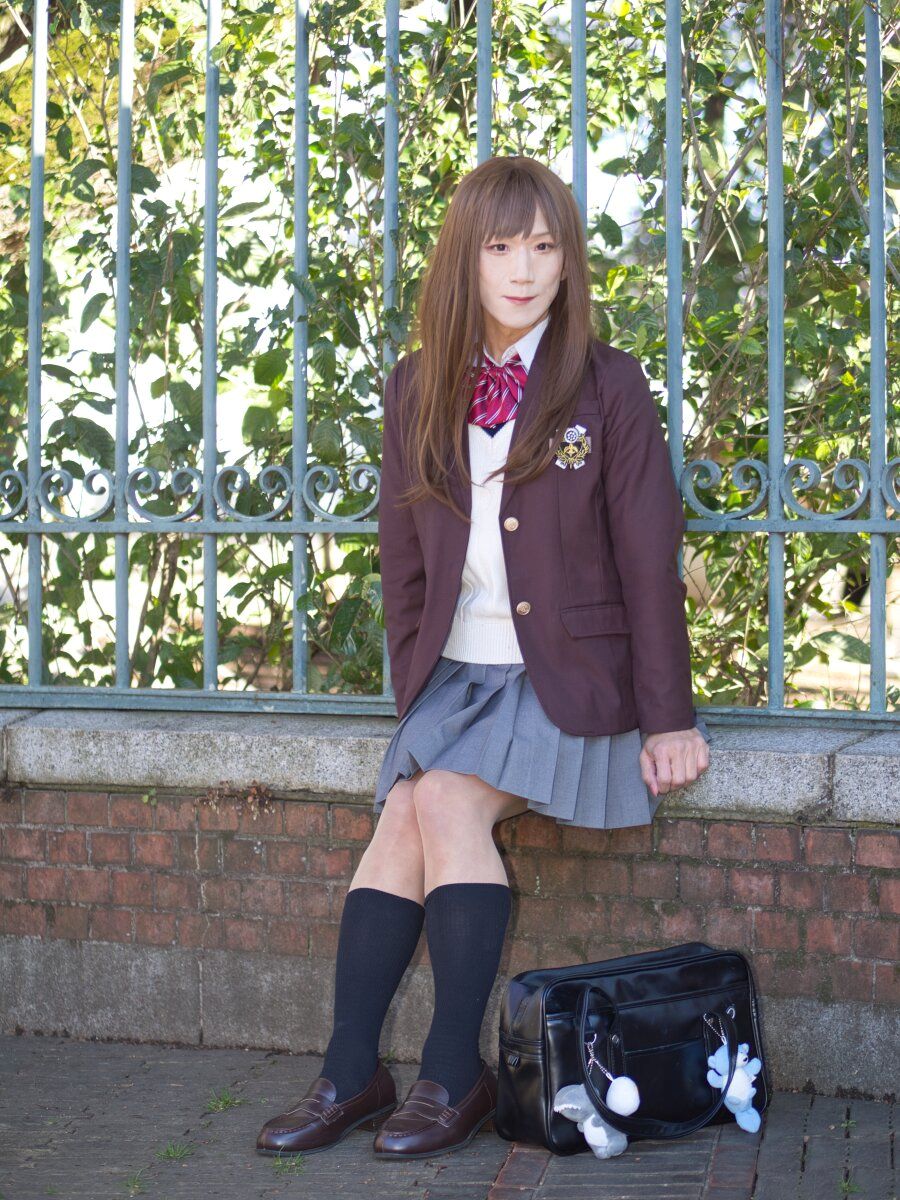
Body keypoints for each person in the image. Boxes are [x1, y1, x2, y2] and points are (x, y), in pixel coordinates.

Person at [257, 155, 711, 1162]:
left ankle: (448, 1072)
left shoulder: (608, 382)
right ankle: (350, 1069)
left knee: (443, 802)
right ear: (466, 257)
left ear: (568, 261)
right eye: (501, 247)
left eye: (544, 247)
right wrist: (413, 691)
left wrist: (670, 714)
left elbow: (648, 555)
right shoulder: (417, 385)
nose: (523, 269)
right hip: (457, 676)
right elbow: (403, 558)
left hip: (567, 677)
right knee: (403, 812)